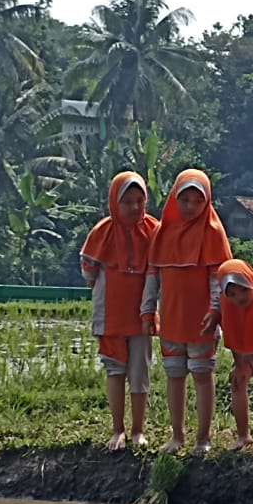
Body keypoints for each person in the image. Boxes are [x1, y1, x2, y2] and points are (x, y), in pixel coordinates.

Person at [142, 169, 232, 455]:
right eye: (185, 200)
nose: (191, 207)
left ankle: (203, 437)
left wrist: (216, 311)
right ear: (174, 199)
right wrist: (147, 312)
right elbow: (153, 278)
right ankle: (177, 435)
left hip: (202, 321)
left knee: (202, 374)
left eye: (197, 200)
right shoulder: (162, 233)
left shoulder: (213, 233)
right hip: (171, 319)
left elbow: (217, 281)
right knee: (174, 374)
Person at [80, 172, 160, 452]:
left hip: (142, 314)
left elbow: (161, 264)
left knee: (140, 372)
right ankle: (118, 429)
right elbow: (88, 267)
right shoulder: (103, 230)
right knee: (115, 371)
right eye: (127, 202)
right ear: (115, 202)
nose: (135, 207)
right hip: (111, 314)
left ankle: (138, 430)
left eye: (140, 201)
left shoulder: (153, 229)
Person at [209, 258, 253, 451]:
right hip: (249, 349)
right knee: (237, 379)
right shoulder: (228, 308)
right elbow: (233, 338)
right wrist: (240, 365)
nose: (239, 297)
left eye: (244, 289)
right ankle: (243, 435)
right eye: (232, 294)